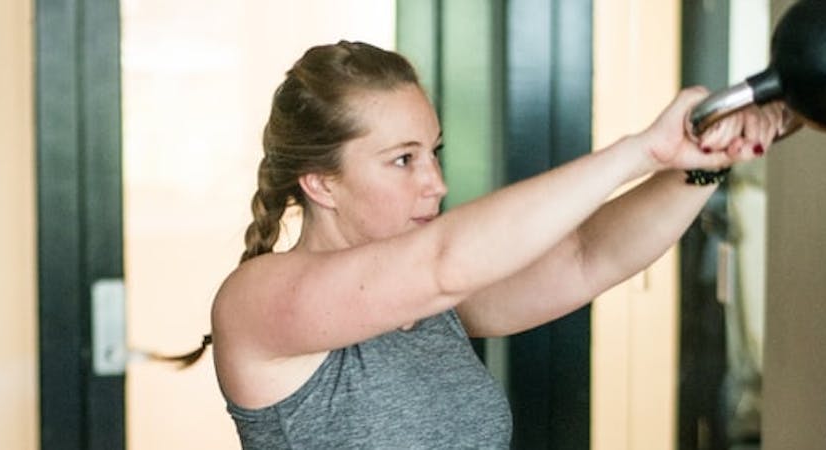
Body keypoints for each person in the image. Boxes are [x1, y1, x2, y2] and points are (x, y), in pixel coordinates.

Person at [182, 40, 787, 448]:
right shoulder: (255, 301)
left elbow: (587, 255)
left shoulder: (433, 305)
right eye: (403, 160)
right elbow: (442, 263)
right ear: (320, 183)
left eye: (433, 153)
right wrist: (643, 149)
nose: (436, 183)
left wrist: (704, 164)